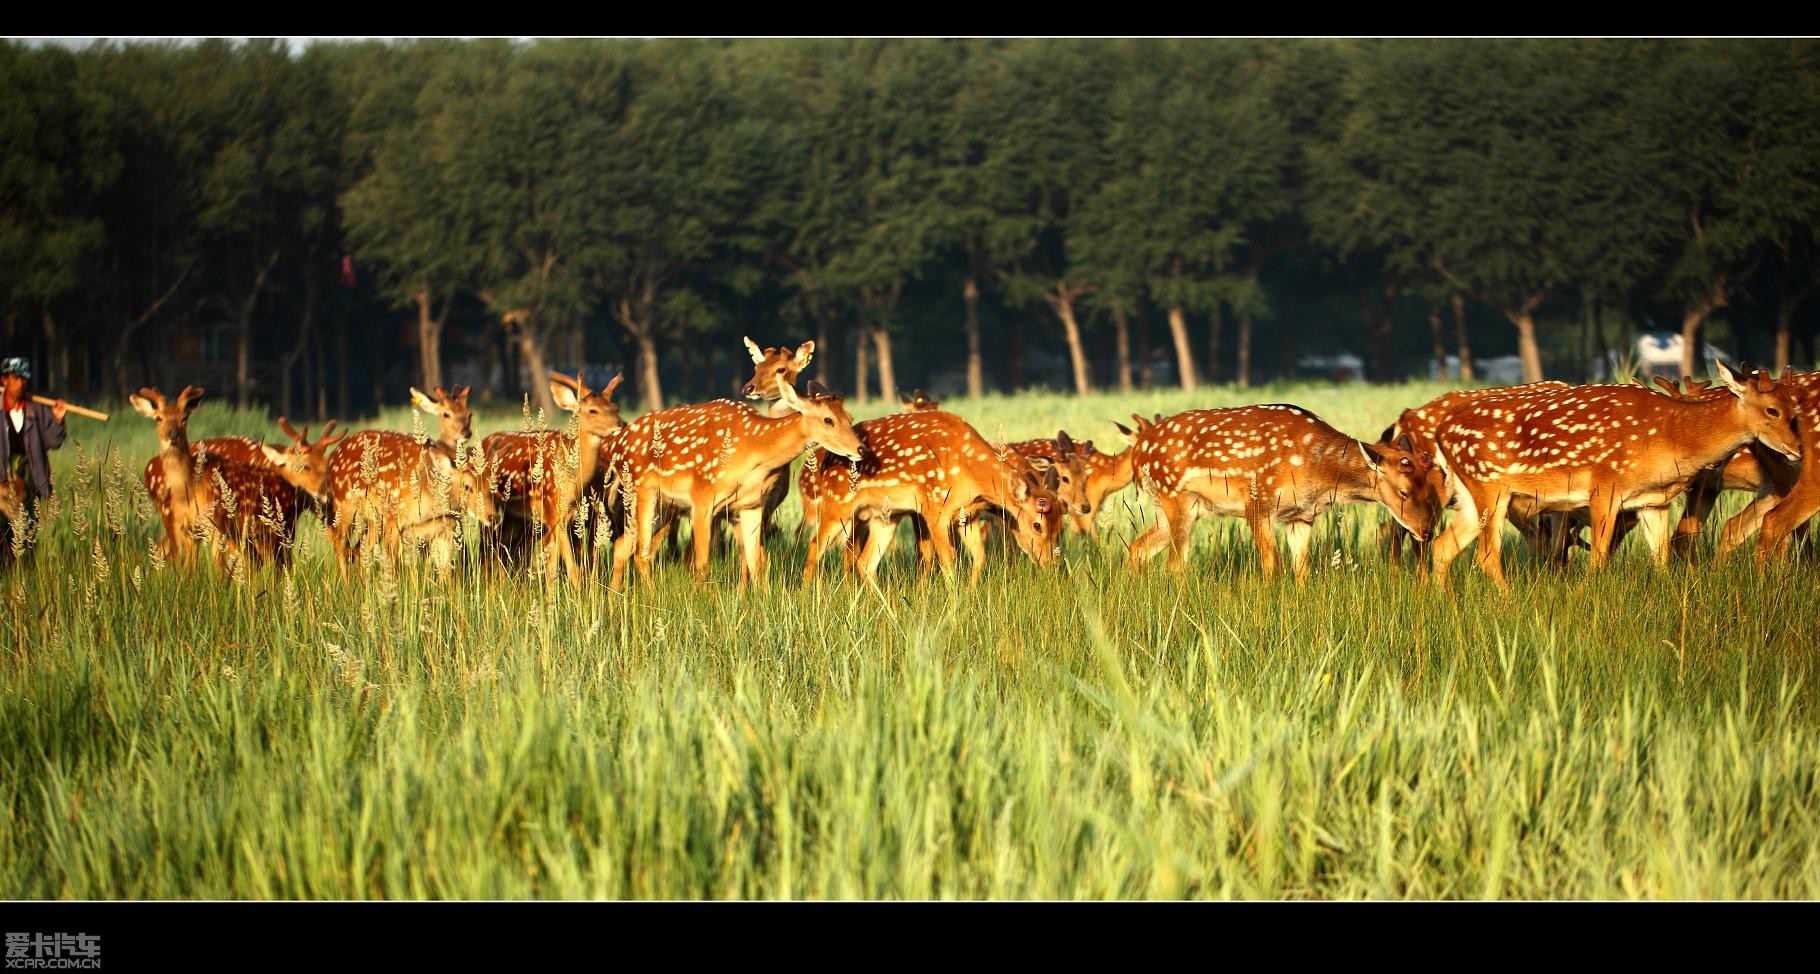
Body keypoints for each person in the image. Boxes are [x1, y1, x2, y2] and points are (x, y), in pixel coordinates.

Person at [0, 356, 67, 502]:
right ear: (5, 380)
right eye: (16, 377)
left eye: (24, 378)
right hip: (2, 487)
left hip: (31, 486)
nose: (21, 383)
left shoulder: (37, 411)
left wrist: (57, 420)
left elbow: (54, 443)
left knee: (31, 523)